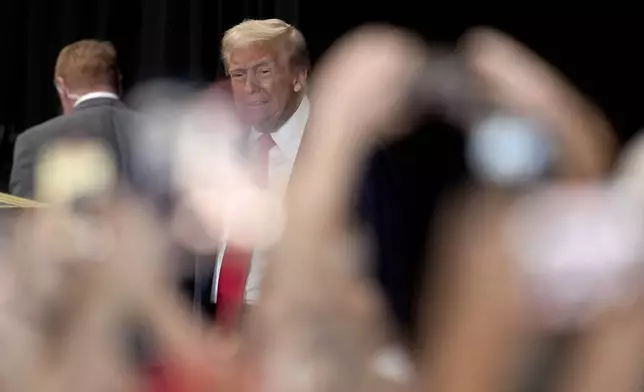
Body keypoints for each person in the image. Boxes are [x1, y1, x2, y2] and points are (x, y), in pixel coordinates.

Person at [10, 39, 135, 200]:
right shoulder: (164, 134)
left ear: (61, 87)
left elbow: (24, 220)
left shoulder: (33, 141)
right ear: (119, 81)